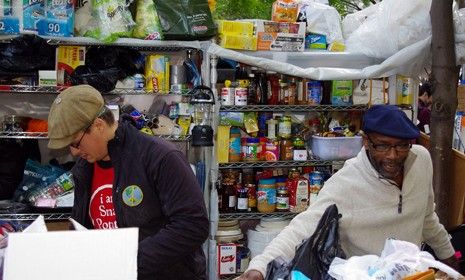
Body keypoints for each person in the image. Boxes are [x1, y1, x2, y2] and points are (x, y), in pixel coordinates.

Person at [240, 105, 457, 280]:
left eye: (401, 146)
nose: (393, 155)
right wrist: (259, 267)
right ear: (365, 142)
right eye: (382, 146)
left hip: (413, 274)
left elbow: (427, 216)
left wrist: (450, 259)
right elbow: (301, 228)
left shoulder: (422, 161)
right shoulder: (346, 182)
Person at [47, 85, 209, 280]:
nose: (73, 152)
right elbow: (82, 226)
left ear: (98, 125)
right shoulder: (84, 168)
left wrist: (128, 263)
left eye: (75, 143)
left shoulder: (160, 157)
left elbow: (193, 225)